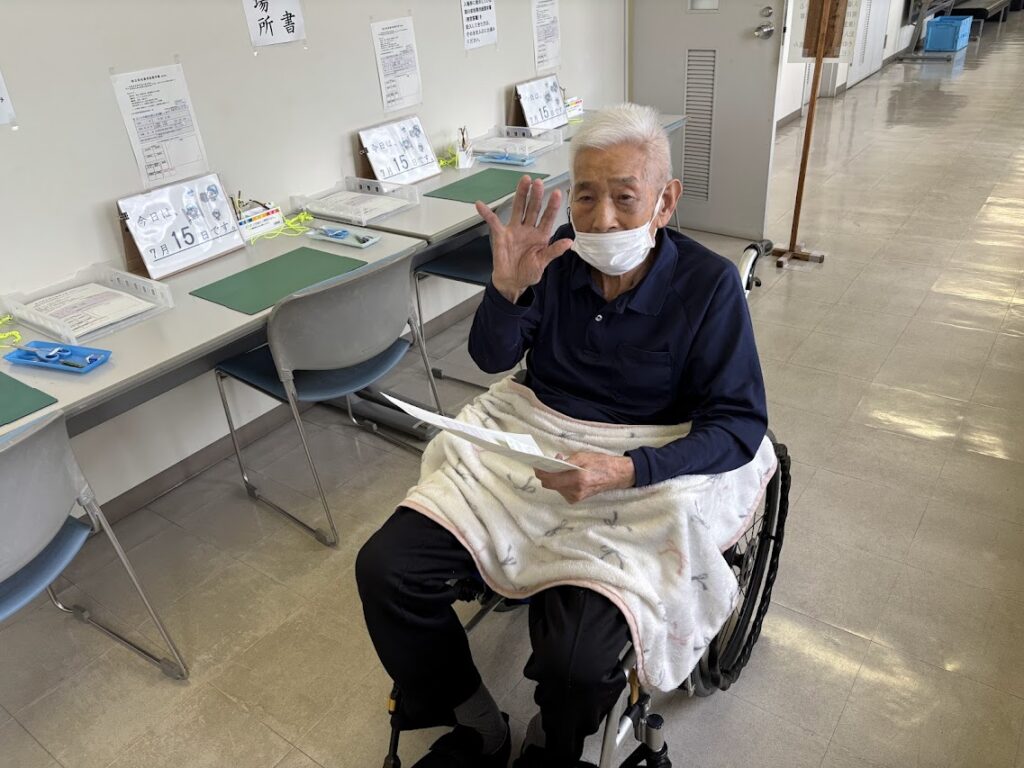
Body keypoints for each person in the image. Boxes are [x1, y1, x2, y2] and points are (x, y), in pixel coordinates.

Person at [356, 103, 767, 768]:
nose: (601, 219)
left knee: (575, 662)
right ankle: (474, 721)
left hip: (641, 464)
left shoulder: (708, 285)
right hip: (536, 438)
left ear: (665, 202)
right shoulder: (554, 260)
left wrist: (626, 468)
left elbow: (740, 422)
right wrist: (506, 291)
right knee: (387, 572)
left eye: (625, 198)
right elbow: (492, 358)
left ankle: (555, 740)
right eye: (585, 195)